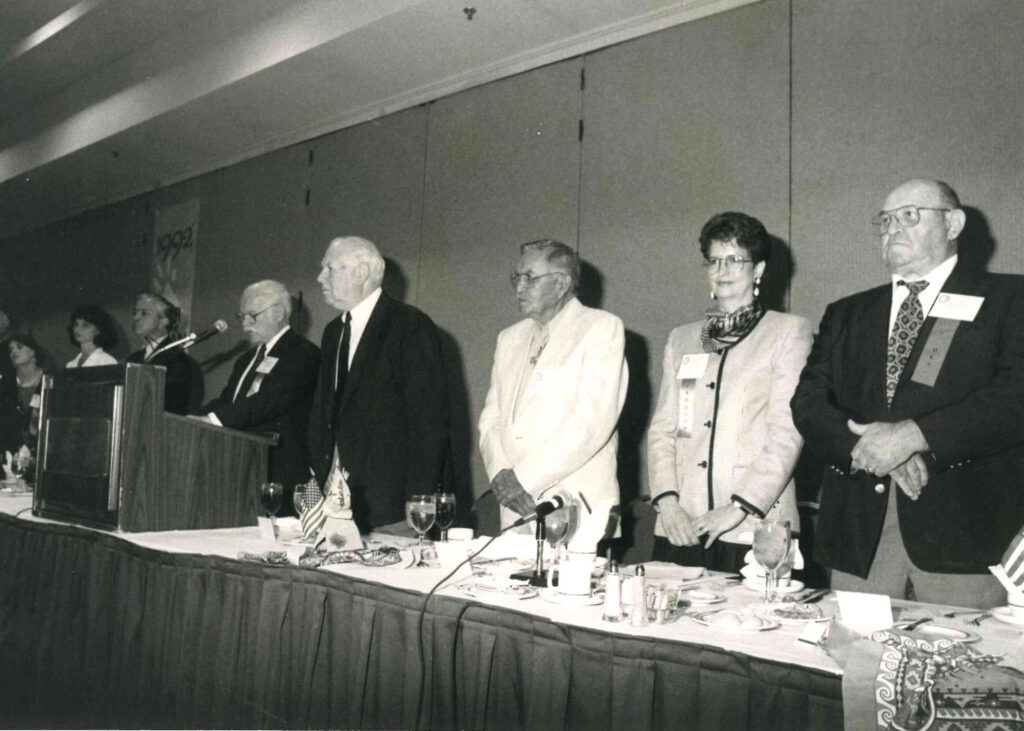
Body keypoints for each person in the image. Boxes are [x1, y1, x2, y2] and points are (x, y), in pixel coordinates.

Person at [791, 179, 1024, 609]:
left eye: (910, 215)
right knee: (857, 651)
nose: (893, 228)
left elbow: (1014, 397)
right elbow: (808, 404)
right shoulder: (847, 313)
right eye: (885, 220)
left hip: (965, 535)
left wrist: (916, 436)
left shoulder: (1010, 299)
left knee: (965, 654)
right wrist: (868, 449)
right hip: (860, 540)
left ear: (953, 224)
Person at [646, 213, 811, 572]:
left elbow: (787, 432)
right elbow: (664, 430)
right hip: (682, 524)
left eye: (735, 259)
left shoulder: (788, 332)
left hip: (755, 525)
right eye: (714, 260)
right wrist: (667, 503)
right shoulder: (681, 339)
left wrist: (738, 508)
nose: (722, 270)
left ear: (758, 269)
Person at [478, 239, 628, 553]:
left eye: (530, 278)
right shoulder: (509, 338)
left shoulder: (601, 329)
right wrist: (501, 474)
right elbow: (491, 418)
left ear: (560, 283)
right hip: (515, 505)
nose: (519, 287)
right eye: (517, 278)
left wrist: (523, 479)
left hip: (575, 505)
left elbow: (590, 424)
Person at [307, 236, 450, 534]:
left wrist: (418, 498)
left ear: (361, 273)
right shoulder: (333, 332)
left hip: (390, 506)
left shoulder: (410, 325)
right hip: (334, 503)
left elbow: (428, 420)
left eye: (329, 268)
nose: (320, 277)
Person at [193, 281, 320, 513]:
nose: (244, 324)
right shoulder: (247, 358)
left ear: (278, 313)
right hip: (242, 465)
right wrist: (191, 418)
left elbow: (268, 402)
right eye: (242, 316)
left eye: (252, 315)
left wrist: (211, 420)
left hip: (279, 470)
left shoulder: (303, 353)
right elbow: (228, 402)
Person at [125, 293, 194, 415]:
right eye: (135, 312)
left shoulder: (177, 359)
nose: (136, 317)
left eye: (144, 313)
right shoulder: (132, 359)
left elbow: (172, 406)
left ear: (163, 322)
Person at [0, 334, 49, 454]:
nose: (14, 352)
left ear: (33, 352)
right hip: (10, 453)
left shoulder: (50, 381)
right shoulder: (5, 385)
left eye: (19, 347)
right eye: (11, 349)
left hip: (43, 451)